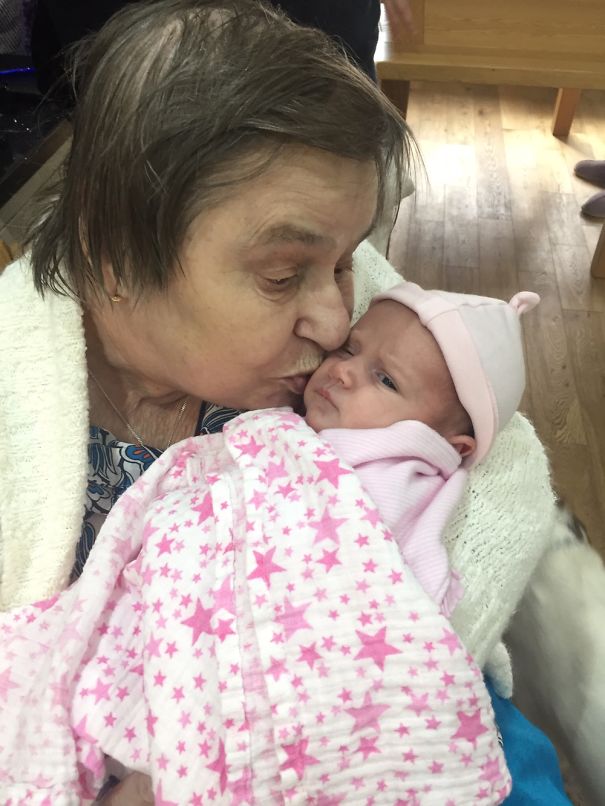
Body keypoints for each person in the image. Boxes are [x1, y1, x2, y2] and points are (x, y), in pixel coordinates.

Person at [0, 0, 581, 803]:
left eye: (345, 260)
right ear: (115, 258)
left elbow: (502, 466)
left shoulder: (361, 320)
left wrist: (319, 721)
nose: (338, 319)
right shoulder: (15, 399)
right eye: (281, 277)